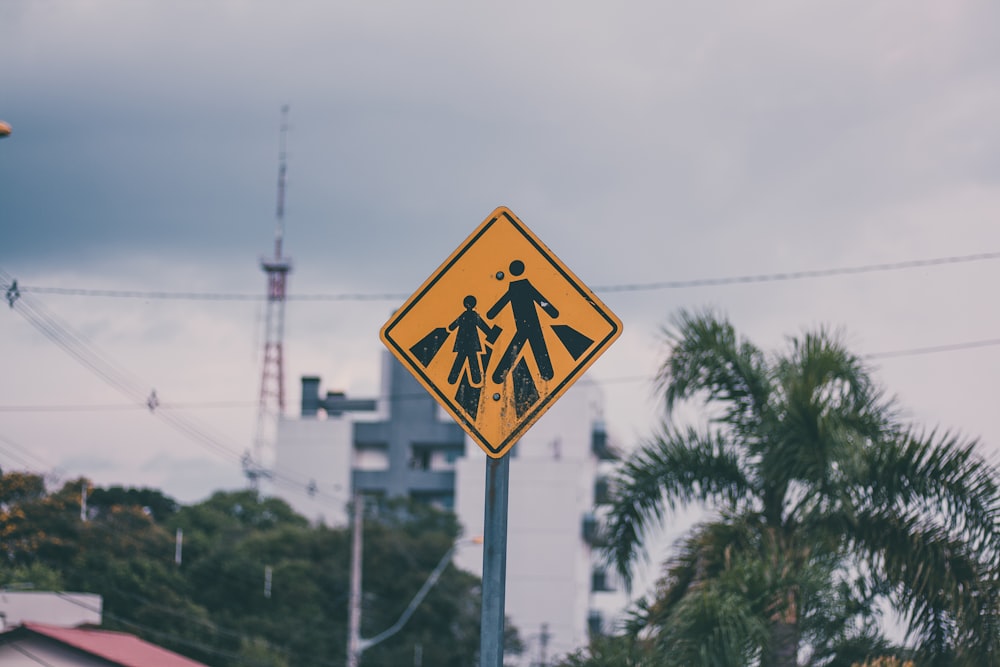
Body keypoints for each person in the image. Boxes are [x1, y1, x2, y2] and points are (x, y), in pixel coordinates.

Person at [487, 259, 558, 383]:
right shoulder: (525, 286)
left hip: (521, 324)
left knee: (517, 347)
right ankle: (546, 373)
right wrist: (552, 312)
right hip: (532, 322)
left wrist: (491, 314)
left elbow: (502, 302)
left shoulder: (513, 288)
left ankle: (499, 375)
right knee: (538, 346)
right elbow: (540, 300)